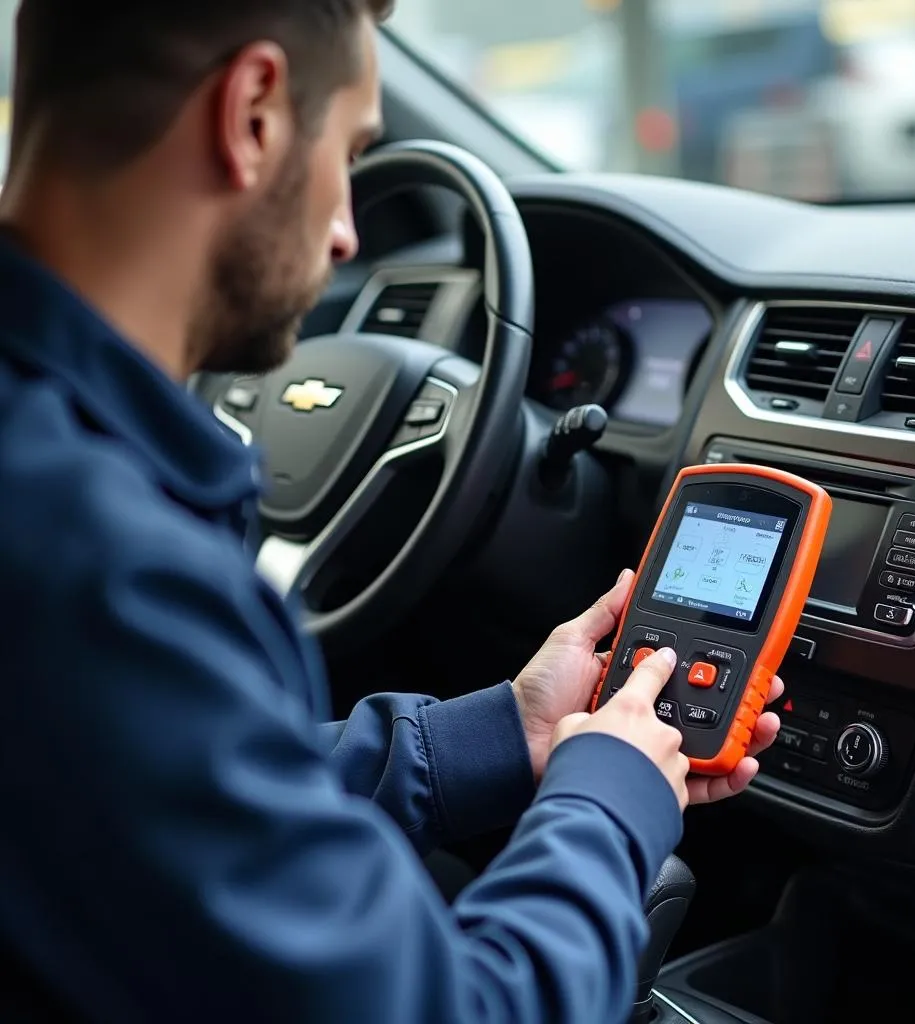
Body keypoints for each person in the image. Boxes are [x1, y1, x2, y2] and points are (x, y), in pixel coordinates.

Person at [0, 2, 784, 1021]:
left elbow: (151, 785)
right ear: (253, 113)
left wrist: (508, 733)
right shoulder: (104, 569)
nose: (346, 232)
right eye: (354, 152)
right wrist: (609, 794)